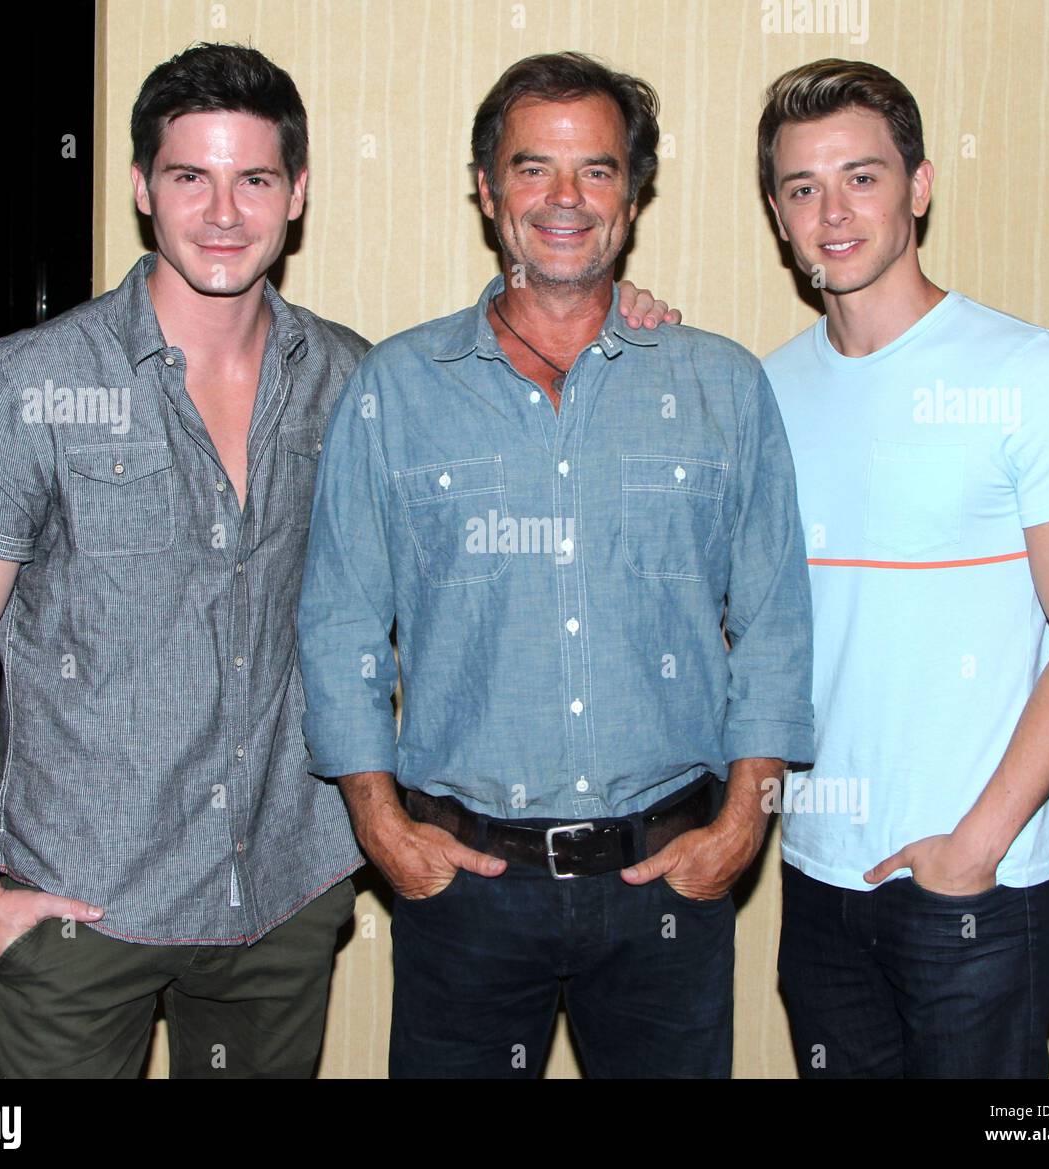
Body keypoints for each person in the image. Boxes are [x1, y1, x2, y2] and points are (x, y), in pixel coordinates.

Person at [0, 39, 684, 1079]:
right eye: (191, 176)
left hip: (284, 896)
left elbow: (471, 527)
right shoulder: (28, 384)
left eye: (254, 178)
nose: (223, 212)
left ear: (296, 192)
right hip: (84, 904)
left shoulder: (355, 380)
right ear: (142, 187)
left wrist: (612, 317)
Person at [296, 50, 814, 1079]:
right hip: (464, 886)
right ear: (487, 191)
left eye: (598, 169)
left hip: (672, 875)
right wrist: (381, 829)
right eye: (533, 168)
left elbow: (775, 621)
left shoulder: (721, 385)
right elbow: (340, 620)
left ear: (635, 191)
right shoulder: (397, 386)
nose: (564, 199)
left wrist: (740, 826)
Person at [758, 58, 1049, 1078]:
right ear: (779, 215)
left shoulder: (1031, 376)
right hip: (817, 872)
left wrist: (974, 847)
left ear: (918, 187)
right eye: (802, 186)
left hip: (977, 886)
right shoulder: (764, 390)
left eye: (861, 176)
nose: (832, 211)